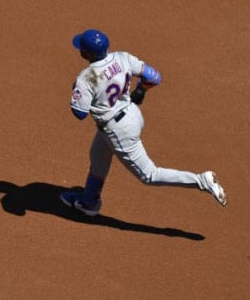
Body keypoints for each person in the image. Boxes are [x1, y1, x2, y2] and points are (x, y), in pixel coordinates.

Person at [60, 29, 227, 216]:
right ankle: (89, 202)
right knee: (98, 158)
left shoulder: (86, 78)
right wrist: (141, 90)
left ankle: (201, 180)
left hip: (117, 129)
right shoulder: (122, 57)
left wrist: (77, 92)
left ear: (87, 53)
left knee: (149, 175)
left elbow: (79, 113)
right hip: (132, 113)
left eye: (81, 48)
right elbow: (154, 77)